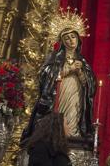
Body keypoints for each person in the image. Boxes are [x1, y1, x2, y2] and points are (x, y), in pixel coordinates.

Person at [21, 9, 96, 142]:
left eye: (73, 37)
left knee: (73, 117)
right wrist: (68, 70)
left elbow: (89, 86)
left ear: (78, 39)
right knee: (59, 118)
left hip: (75, 94)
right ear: (62, 42)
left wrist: (80, 72)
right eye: (66, 38)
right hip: (60, 93)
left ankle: (72, 137)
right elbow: (46, 76)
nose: (71, 41)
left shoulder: (82, 61)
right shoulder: (55, 57)